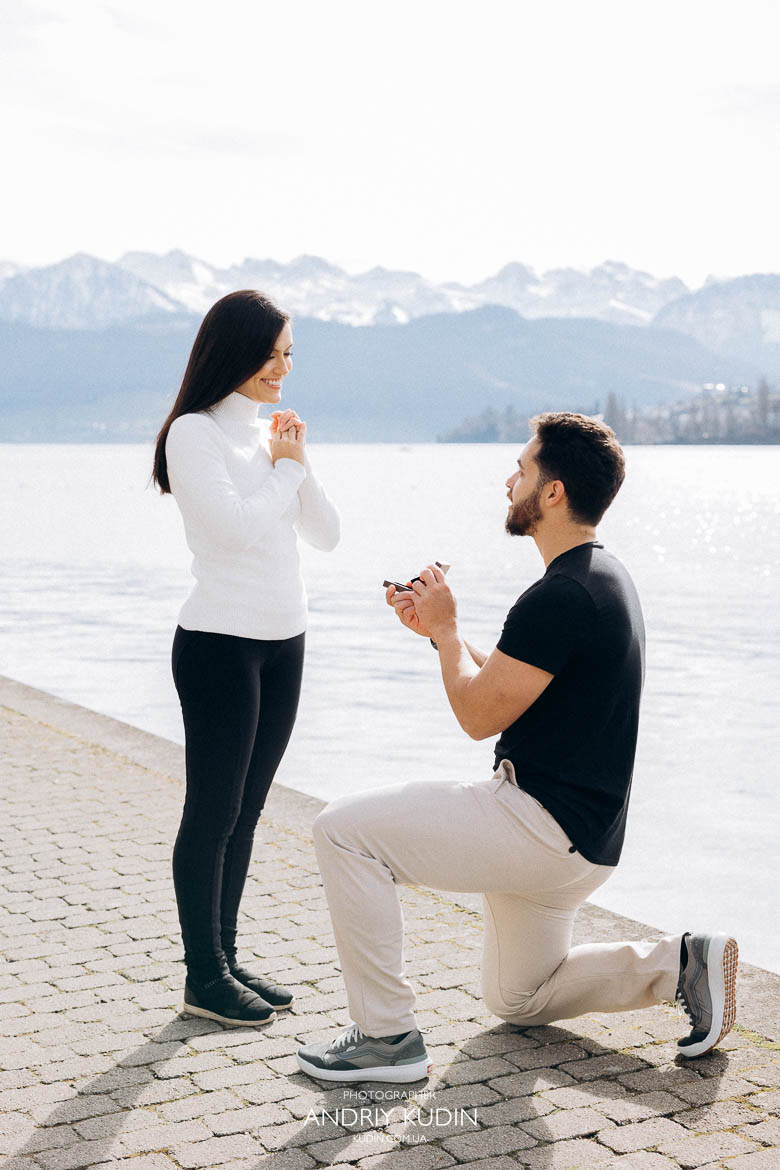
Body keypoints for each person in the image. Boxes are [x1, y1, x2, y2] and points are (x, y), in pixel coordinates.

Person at [296, 411, 737, 1083]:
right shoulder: (601, 577)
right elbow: (510, 680)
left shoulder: (559, 595)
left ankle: (385, 1038)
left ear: (552, 491)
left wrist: (446, 636)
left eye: (523, 470)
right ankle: (680, 965)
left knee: (343, 832)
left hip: (538, 827)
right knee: (518, 998)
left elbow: (478, 714)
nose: (510, 482)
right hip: (585, 842)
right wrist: (442, 633)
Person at [152, 289, 340, 1027]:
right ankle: (204, 977)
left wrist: (299, 461)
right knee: (214, 810)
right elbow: (231, 530)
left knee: (250, 809)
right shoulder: (193, 436)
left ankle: (224, 959)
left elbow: (326, 534)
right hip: (218, 648)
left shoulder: (268, 437)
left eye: (290, 353)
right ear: (235, 351)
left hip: (283, 642)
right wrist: (285, 471)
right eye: (272, 353)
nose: (283, 367)